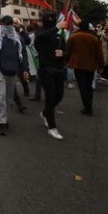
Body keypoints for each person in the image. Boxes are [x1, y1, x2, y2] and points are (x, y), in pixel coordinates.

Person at [0, 15, 29, 135]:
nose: (8, 26)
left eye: (10, 24)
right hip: (0, 70)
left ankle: (4, 117)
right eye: (5, 24)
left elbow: (22, 53)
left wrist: (25, 69)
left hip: (13, 70)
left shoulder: (17, 37)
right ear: (1, 23)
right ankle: (1, 122)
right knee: (1, 96)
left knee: (9, 98)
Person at [34, 12, 69, 140]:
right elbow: (41, 38)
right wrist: (56, 28)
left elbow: (67, 51)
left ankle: (45, 113)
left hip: (59, 70)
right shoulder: (40, 33)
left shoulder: (59, 35)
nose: (51, 21)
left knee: (59, 97)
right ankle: (52, 127)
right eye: (49, 20)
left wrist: (63, 54)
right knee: (50, 97)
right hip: (46, 70)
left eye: (53, 20)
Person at [66, 20, 104, 116]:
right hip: (90, 65)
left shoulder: (73, 37)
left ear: (79, 27)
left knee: (82, 86)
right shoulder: (94, 38)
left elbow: (68, 51)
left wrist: (67, 61)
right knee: (88, 85)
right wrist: (101, 65)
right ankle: (89, 105)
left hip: (78, 64)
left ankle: (87, 107)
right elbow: (99, 53)